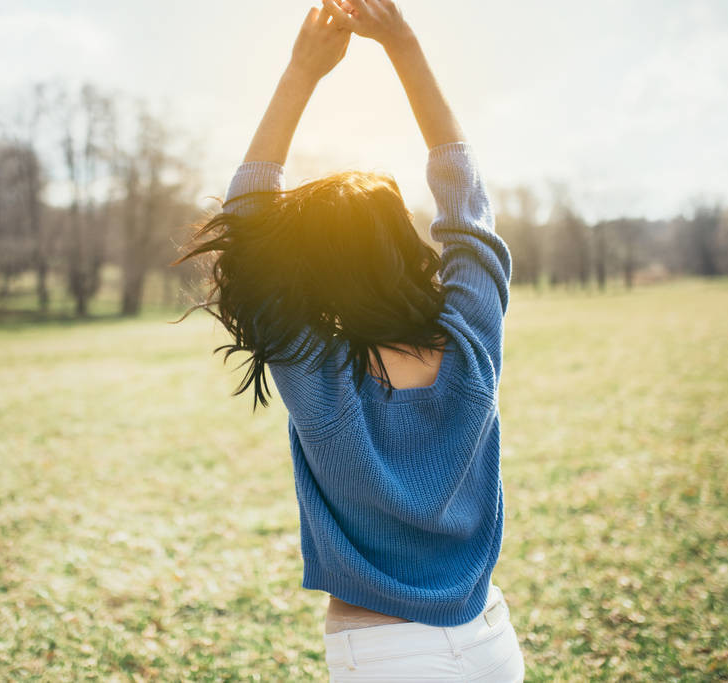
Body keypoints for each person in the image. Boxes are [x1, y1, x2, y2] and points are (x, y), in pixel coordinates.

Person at [173, 1, 525, 680]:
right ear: (406, 244)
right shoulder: (472, 342)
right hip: (488, 640)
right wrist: (405, 47)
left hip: (387, 655)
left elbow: (246, 217)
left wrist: (300, 72)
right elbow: (466, 199)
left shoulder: (318, 373)